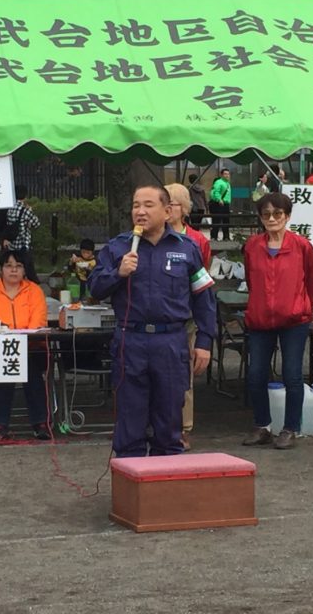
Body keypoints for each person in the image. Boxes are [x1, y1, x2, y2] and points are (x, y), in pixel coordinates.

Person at [89, 185, 216, 458]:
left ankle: (165, 478)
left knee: (169, 422)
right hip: (130, 341)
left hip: (170, 342)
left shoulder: (186, 248)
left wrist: (204, 341)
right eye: (136, 205)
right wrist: (118, 273)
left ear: (167, 211)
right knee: (130, 422)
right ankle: (130, 477)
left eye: (148, 205)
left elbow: (204, 297)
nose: (140, 211)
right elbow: (95, 288)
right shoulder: (118, 247)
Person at [241, 192, 313, 450]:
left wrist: (304, 305)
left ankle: (290, 428)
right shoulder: (252, 246)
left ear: (287, 216)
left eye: (277, 214)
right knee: (255, 374)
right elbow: (251, 280)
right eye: (266, 214)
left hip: (295, 319)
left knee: (292, 374)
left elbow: (311, 280)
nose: (272, 219)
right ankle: (262, 425)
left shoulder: (301, 246)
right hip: (260, 318)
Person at [0, 249, 51, 441]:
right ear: (1, 269)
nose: (13, 270)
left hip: (32, 347)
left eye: (18, 266)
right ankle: (6, 423)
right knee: (8, 361)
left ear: (25, 270)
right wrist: (8, 346)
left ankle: (35, 423)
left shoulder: (35, 291)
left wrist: (19, 345)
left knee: (26, 362)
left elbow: (38, 322)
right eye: (8, 266)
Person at [165, 182, 213, 451]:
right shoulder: (150, 236)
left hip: (187, 317)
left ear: (183, 209)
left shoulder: (197, 240)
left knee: (185, 375)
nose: (166, 209)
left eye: (170, 204)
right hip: (160, 316)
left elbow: (202, 279)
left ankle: (183, 428)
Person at [208, 168, 232, 241]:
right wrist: (219, 199)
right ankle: (214, 237)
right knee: (216, 221)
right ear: (221, 175)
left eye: (228, 174)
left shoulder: (227, 183)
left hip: (226, 204)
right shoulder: (218, 182)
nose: (227, 175)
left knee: (226, 221)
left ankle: (226, 237)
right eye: (225, 174)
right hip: (219, 204)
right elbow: (216, 192)